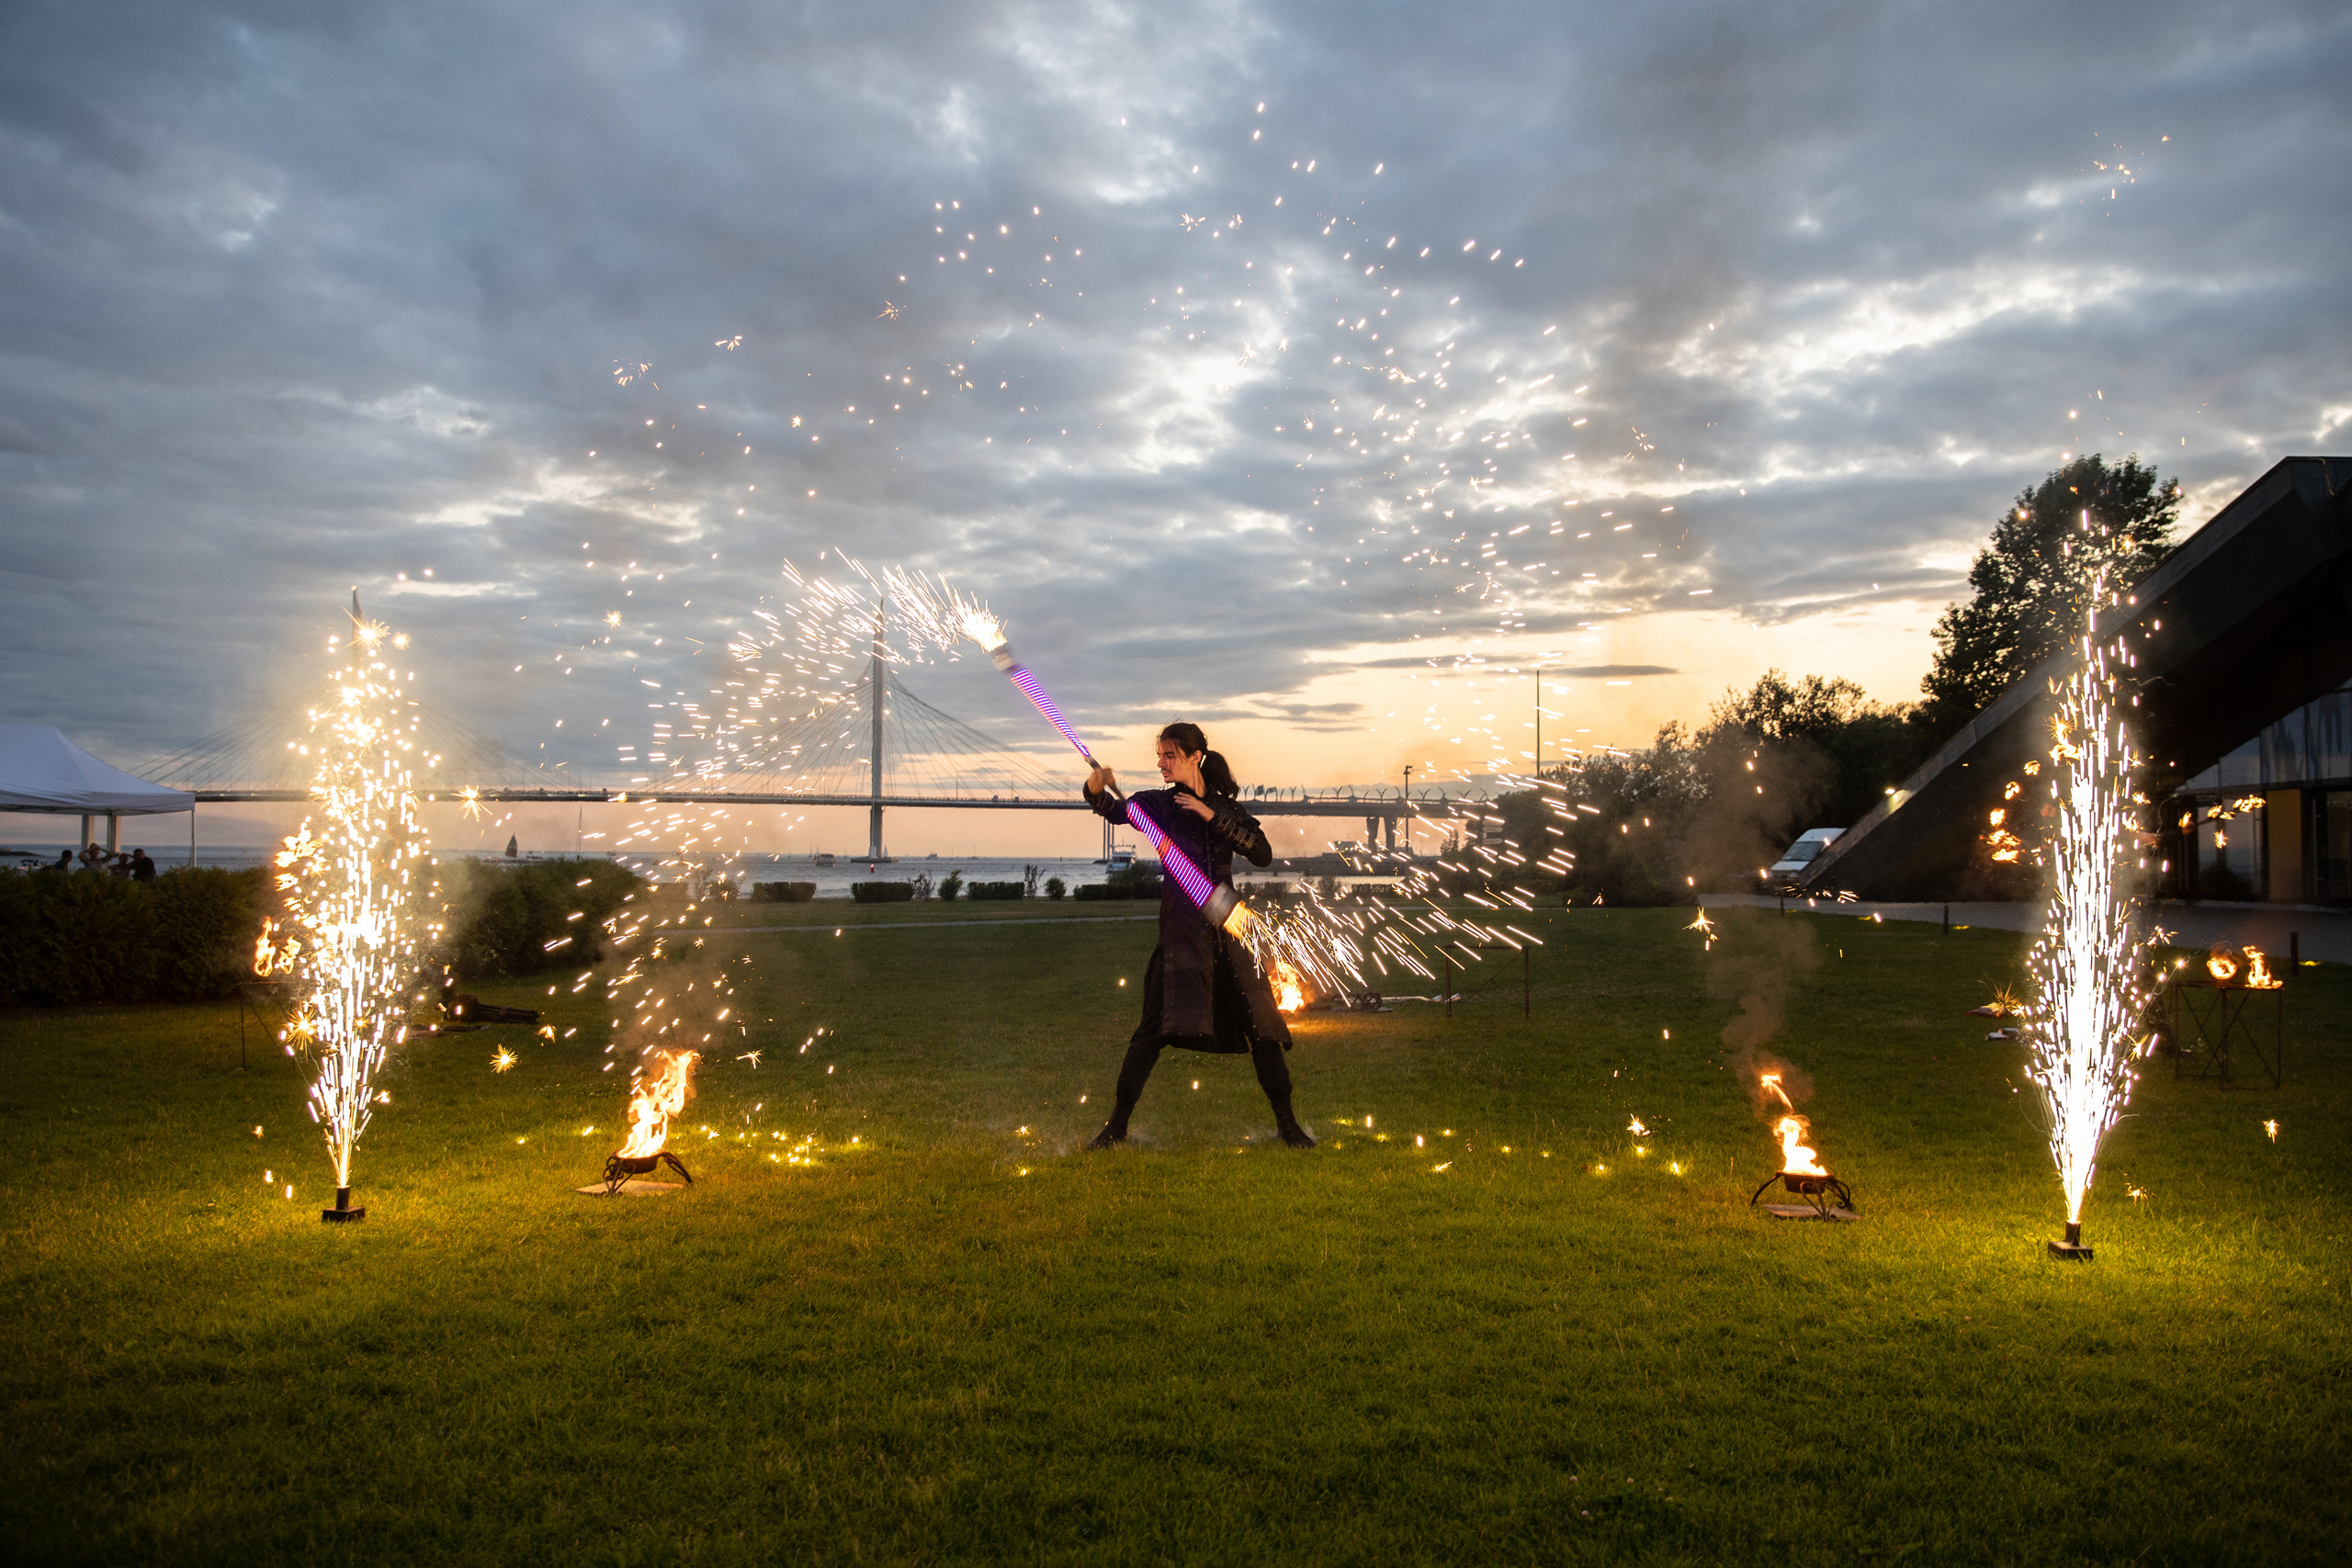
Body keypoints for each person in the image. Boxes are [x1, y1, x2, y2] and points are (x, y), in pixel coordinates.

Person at [1083, 722, 1313, 1150]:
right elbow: (1115, 810)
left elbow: (1261, 854)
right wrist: (1096, 790)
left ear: (1194, 757)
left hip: (1231, 929)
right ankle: (1116, 1128)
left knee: (1262, 1029)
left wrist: (1210, 815)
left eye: (1169, 755)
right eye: (1160, 755)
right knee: (1150, 1032)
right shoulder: (1160, 806)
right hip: (1182, 932)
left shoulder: (1226, 808)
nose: (1160, 763)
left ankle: (1288, 1125)